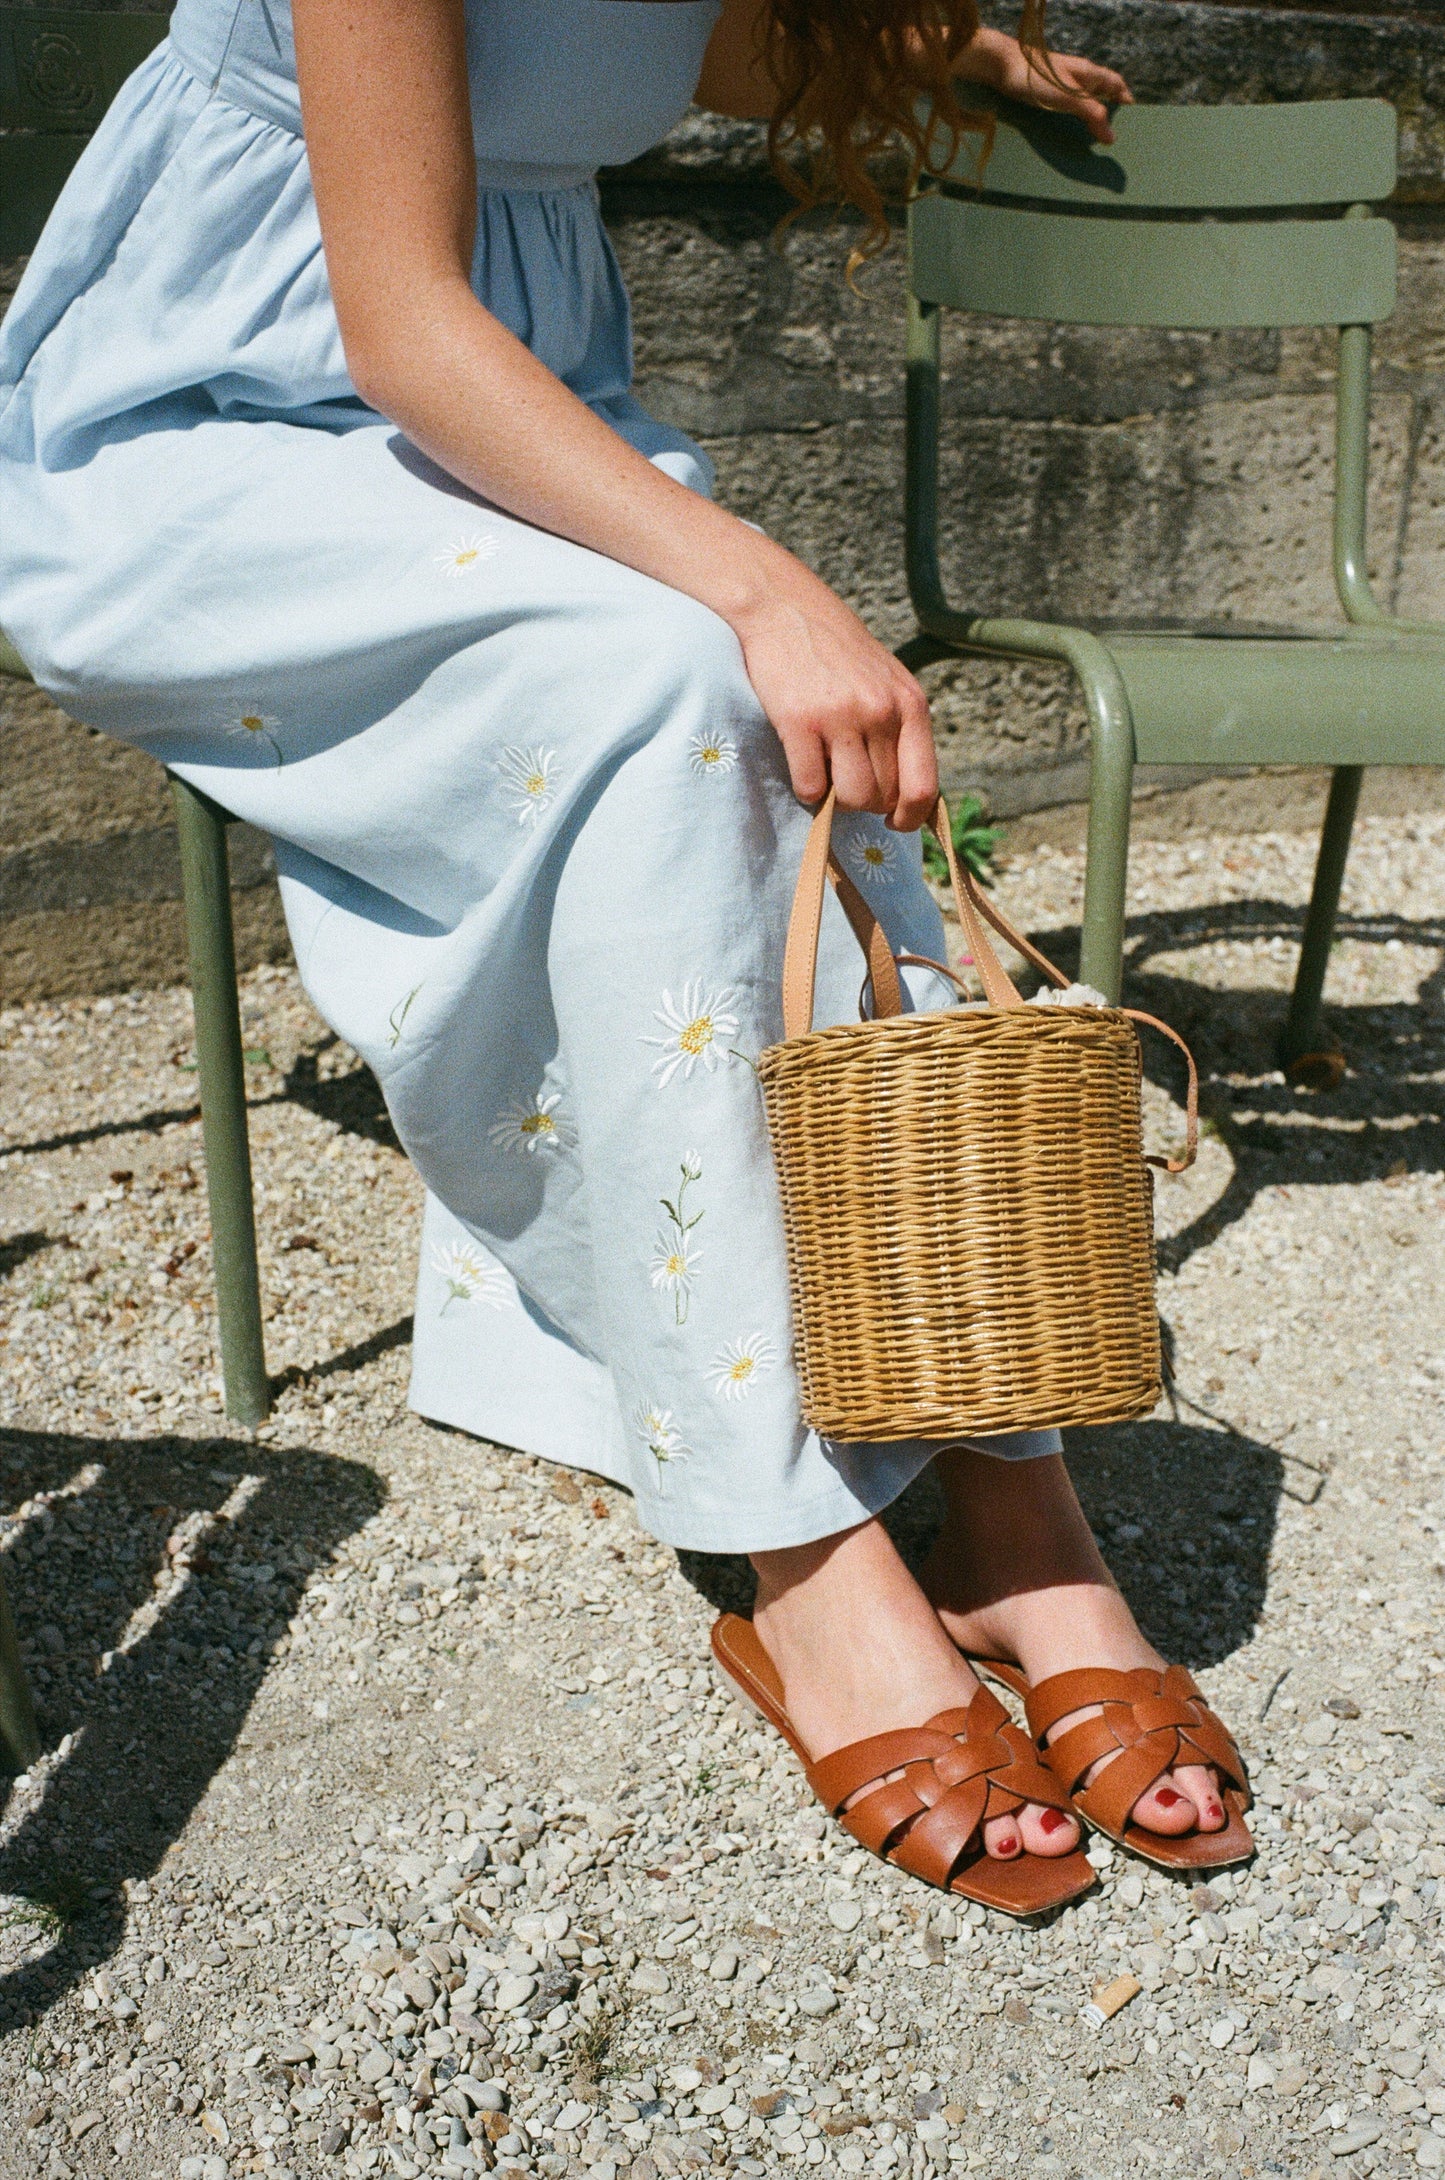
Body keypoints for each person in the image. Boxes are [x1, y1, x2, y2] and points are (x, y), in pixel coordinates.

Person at [0, 0, 1251, 1909]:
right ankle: (800, 1559)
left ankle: (1008, 1477)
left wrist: (954, 53)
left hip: (489, 444)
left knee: (758, 714)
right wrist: (763, 584)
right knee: (700, 678)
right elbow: (398, 320)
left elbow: (713, 57)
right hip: (219, 439)